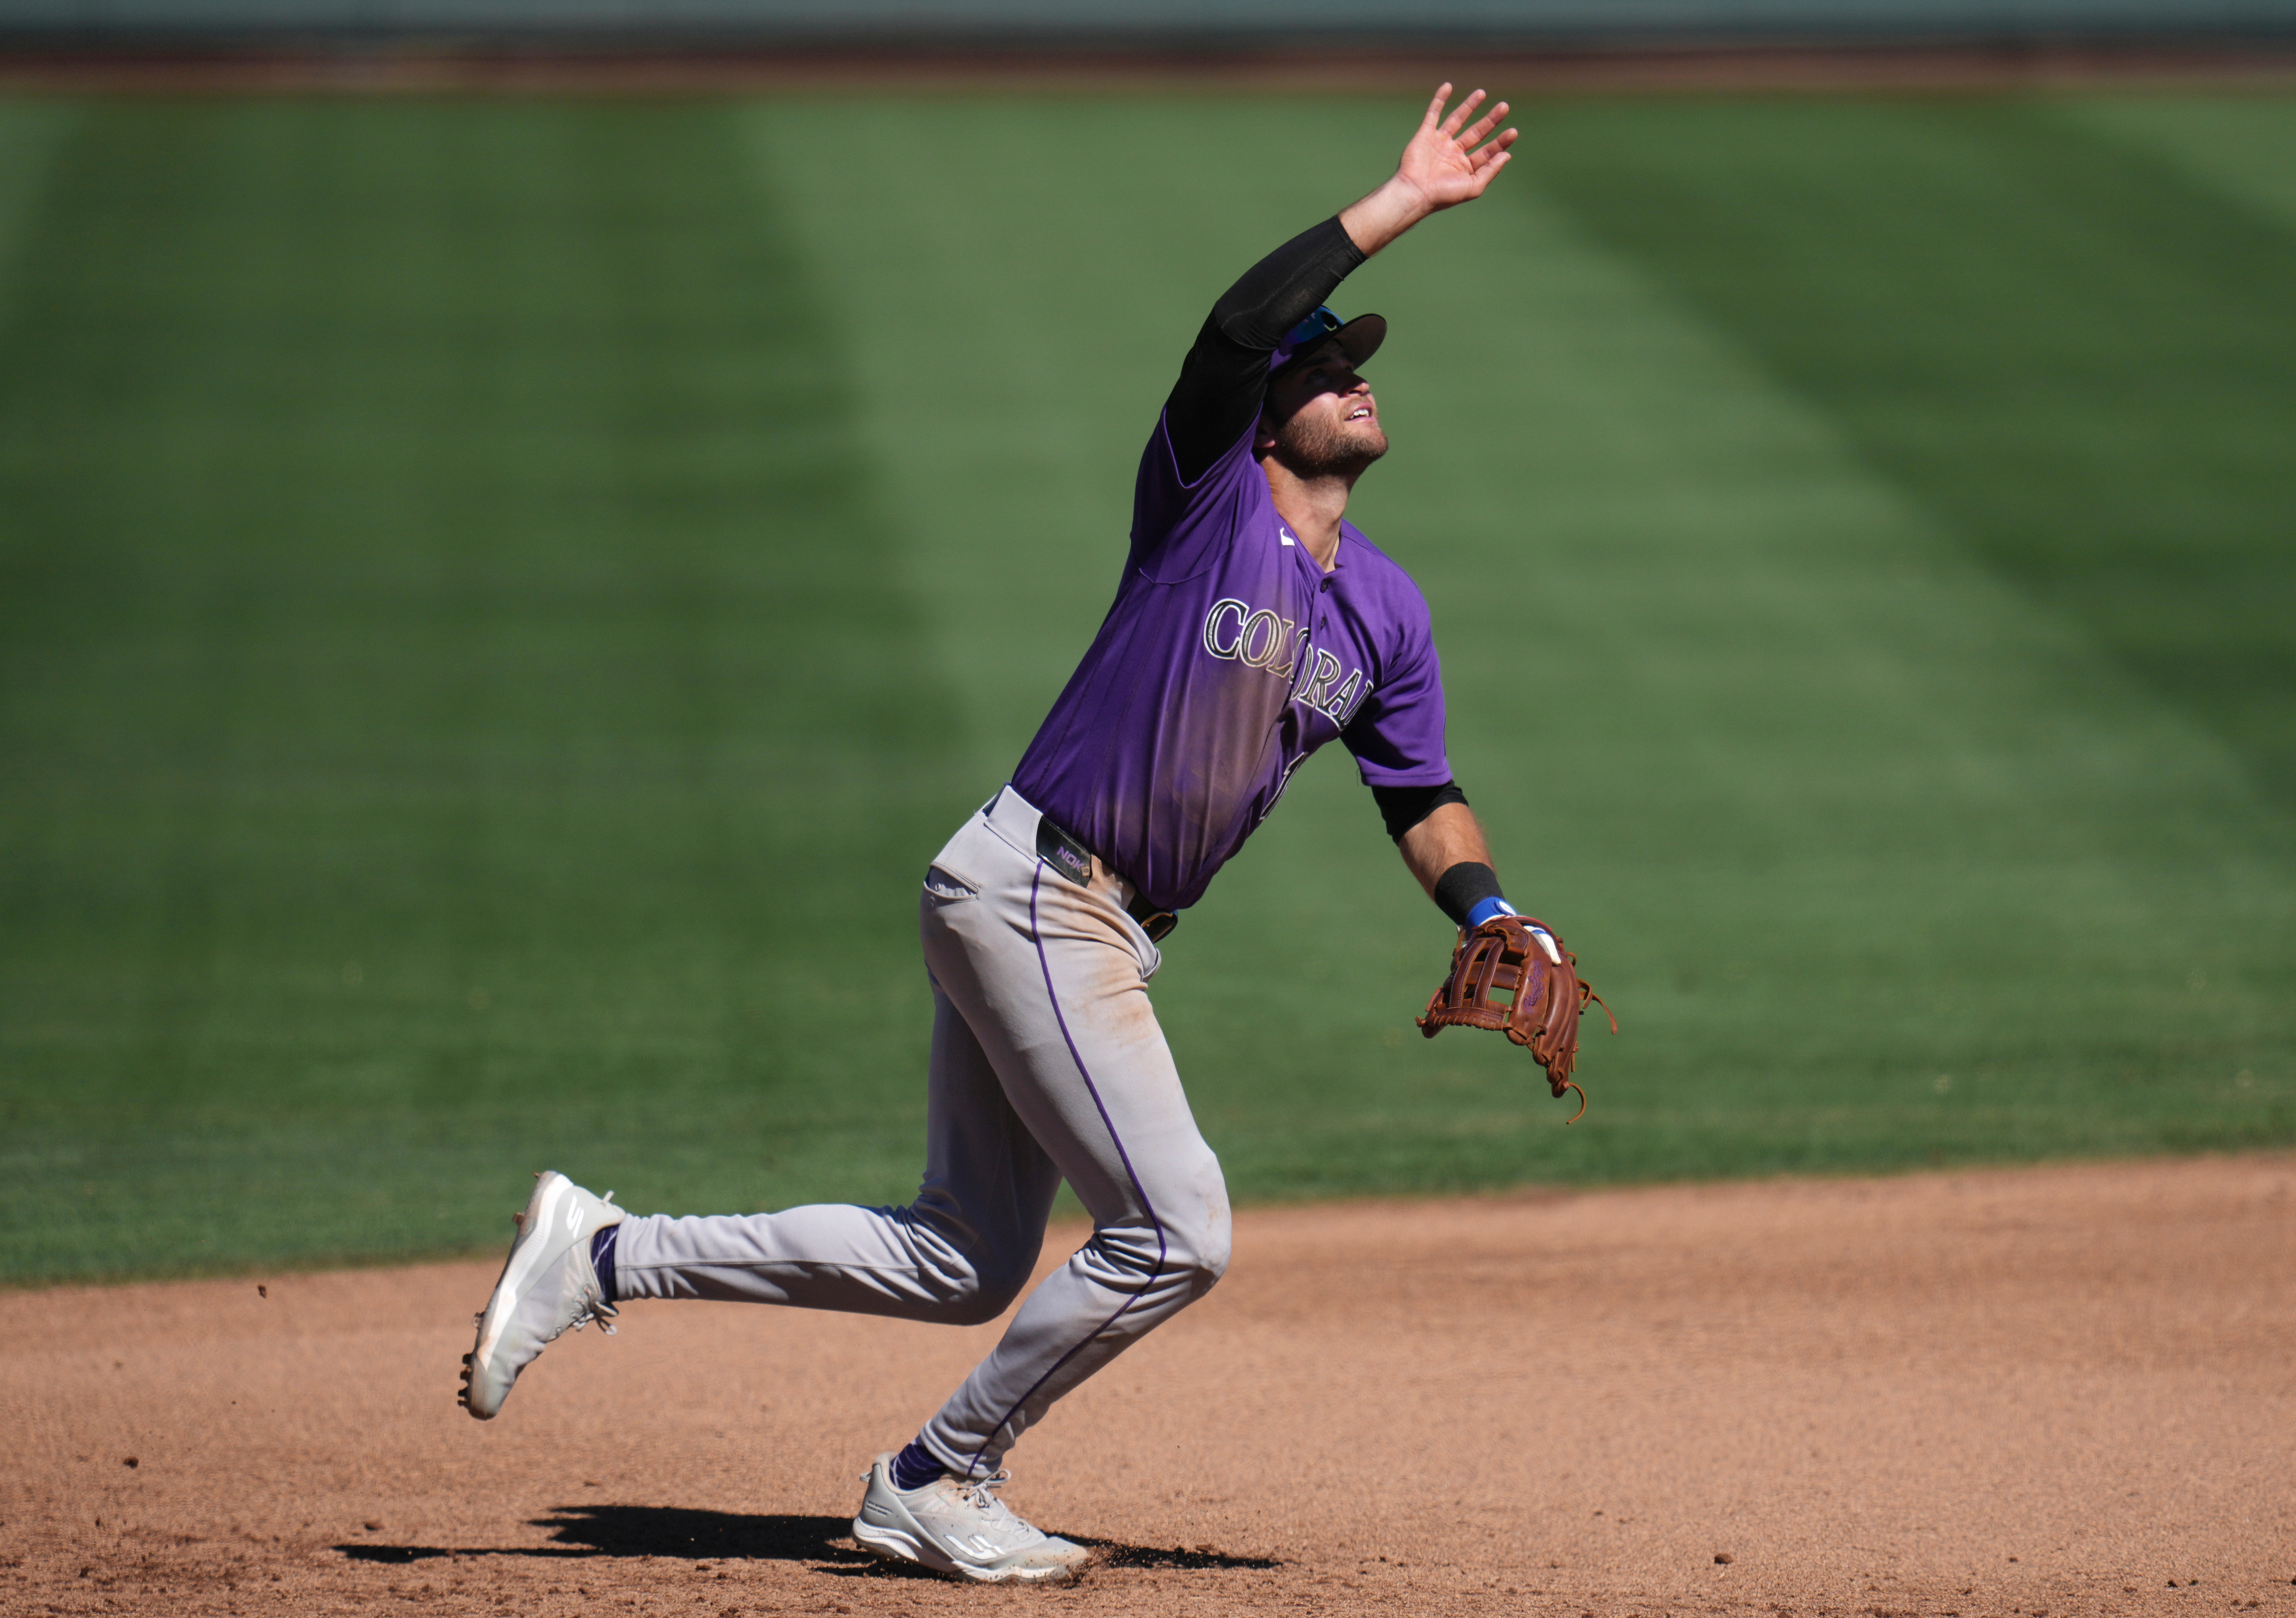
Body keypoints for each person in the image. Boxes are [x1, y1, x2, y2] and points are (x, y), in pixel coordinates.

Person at [457, 85, 1536, 1585]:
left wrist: (1487, 912)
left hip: (1060, 916)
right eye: (1329, 364)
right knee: (1179, 1230)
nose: (1353, 380)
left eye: (1358, 368)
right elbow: (1235, 332)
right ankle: (936, 1473)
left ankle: (601, 1250)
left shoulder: (1387, 607)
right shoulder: (1202, 503)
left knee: (963, 1256)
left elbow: (1418, 793)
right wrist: (1399, 203)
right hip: (1040, 888)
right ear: (1272, 412)